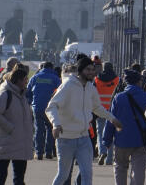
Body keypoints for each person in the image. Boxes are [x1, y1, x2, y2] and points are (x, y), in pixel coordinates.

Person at [46, 55, 122, 185]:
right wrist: (55, 124)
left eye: (93, 69)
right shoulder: (68, 86)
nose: (91, 72)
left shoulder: (91, 88)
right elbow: (51, 107)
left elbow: (97, 108)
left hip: (84, 138)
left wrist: (113, 119)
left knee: (87, 176)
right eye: (88, 69)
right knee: (63, 176)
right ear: (80, 71)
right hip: (66, 139)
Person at [102, 70, 146, 185]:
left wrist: (107, 139)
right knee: (138, 168)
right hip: (141, 139)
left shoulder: (118, 98)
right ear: (139, 82)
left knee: (120, 166)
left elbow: (111, 119)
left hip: (122, 139)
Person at [0, 65, 33, 185]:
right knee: (1, 173)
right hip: (7, 140)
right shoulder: (5, 94)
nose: (27, 82)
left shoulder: (22, 95)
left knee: (19, 177)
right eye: (25, 79)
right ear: (18, 80)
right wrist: (10, 128)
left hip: (20, 141)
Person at [27, 61, 60, 160]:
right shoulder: (56, 78)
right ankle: (49, 152)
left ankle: (39, 152)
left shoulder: (35, 77)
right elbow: (61, 92)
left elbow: (28, 91)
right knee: (50, 129)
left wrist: (30, 101)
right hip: (50, 108)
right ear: (52, 68)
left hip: (37, 107)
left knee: (38, 130)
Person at [93, 62, 119, 166]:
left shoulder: (97, 79)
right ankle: (109, 158)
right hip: (113, 110)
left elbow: (93, 93)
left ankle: (102, 152)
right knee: (111, 134)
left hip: (100, 109)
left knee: (100, 133)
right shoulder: (117, 80)